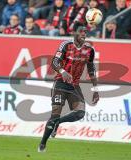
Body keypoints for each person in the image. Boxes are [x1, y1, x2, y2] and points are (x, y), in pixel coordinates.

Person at [38, 22, 99, 152]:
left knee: (80, 113)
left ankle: (58, 122)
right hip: (60, 83)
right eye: (81, 31)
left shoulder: (89, 50)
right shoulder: (66, 45)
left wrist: (95, 89)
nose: (84, 34)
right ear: (74, 33)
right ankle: (43, 144)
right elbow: (55, 61)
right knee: (54, 114)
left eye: (85, 32)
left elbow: (91, 69)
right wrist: (63, 72)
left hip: (74, 86)